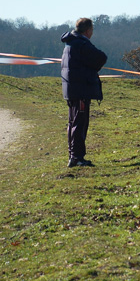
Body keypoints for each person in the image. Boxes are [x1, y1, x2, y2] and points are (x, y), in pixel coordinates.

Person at [60, 17, 107, 168]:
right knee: (80, 124)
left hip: (71, 89)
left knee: (72, 123)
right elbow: (101, 57)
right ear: (88, 30)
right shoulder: (82, 43)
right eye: (92, 30)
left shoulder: (70, 43)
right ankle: (77, 157)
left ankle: (73, 155)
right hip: (80, 89)